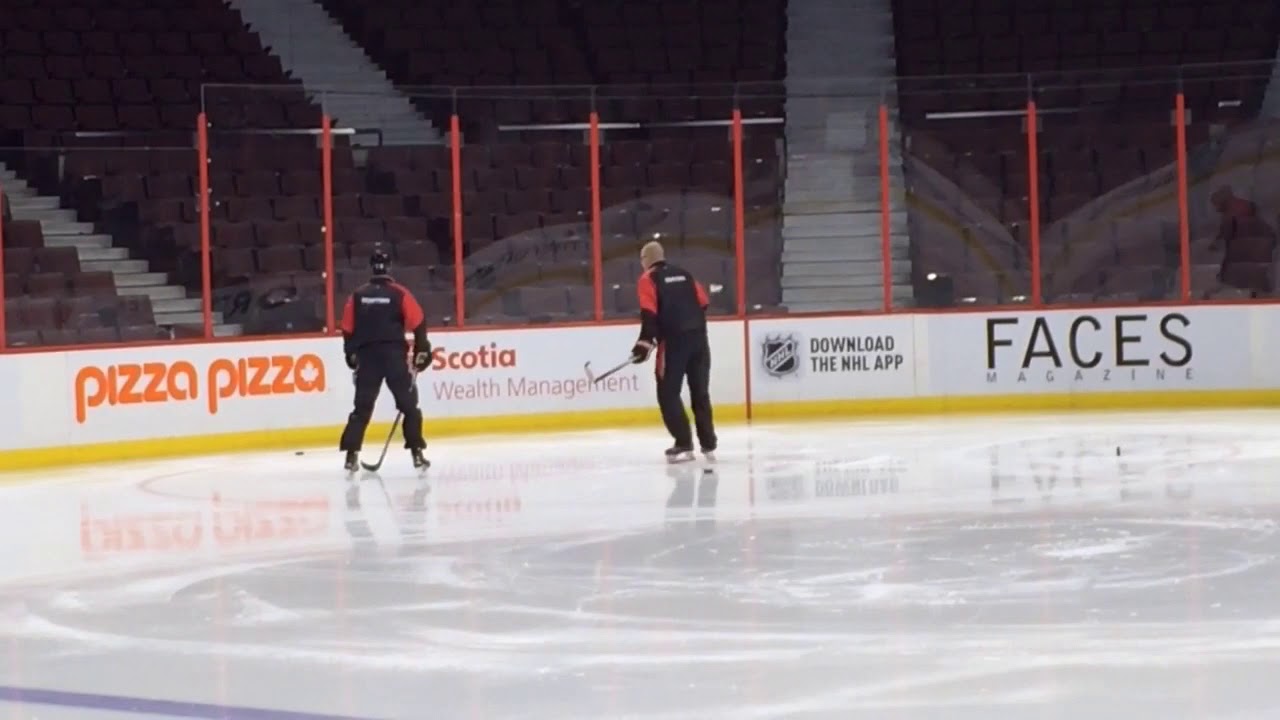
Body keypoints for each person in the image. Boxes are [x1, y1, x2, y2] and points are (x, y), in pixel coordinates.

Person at [338, 247, 432, 473]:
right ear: (389, 267)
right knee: (409, 406)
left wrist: (350, 352)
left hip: (367, 358)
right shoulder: (400, 293)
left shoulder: (358, 295)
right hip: (394, 358)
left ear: (371, 267)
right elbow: (418, 322)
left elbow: (347, 328)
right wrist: (422, 350)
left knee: (361, 408)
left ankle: (351, 456)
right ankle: (417, 454)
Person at [630, 240, 718, 463]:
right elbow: (703, 303)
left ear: (646, 259)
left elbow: (649, 314)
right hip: (699, 339)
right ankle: (708, 444)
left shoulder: (648, 279)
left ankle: (683, 443)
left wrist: (644, 342)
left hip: (674, 343)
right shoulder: (685, 274)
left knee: (668, 393)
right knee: (700, 392)